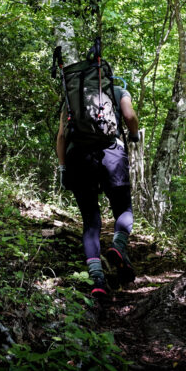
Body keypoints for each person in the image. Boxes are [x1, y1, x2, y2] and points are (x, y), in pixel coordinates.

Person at [56, 84, 140, 298]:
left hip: (78, 158)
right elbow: (129, 116)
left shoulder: (72, 95)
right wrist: (134, 134)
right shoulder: (117, 90)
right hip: (111, 152)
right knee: (122, 208)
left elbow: (61, 137)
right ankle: (119, 245)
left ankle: (97, 280)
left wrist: (63, 168)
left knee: (90, 220)